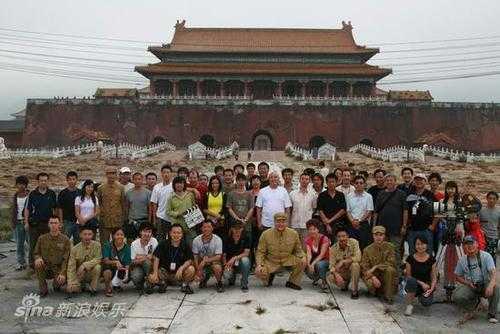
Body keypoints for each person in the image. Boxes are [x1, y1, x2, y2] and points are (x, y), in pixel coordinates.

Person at [454, 235, 499, 323]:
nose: (469, 246)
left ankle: (491, 314)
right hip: (472, 285)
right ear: (463, 247)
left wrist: (490, 285)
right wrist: (467, 283)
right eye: (466, 244)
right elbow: (457, 276)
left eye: (472, 243)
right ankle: (472, 308)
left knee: (496, 288)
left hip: (485, 283)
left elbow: (493, 273)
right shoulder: (462, 260)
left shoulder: (486, 256)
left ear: (477, 244)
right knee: (457, 295)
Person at [255, 213, 306, 290]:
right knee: (260, 272)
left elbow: (298, 250)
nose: (281, 224)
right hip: (271, 261)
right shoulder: (266, 234)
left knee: (302, 261)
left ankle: (292, 282)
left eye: (283, 222)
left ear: (287, 222)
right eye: (278, 221)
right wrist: (259, 264)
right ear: (274, 222)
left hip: (287, 259)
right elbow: (260, 252)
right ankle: (269, 277)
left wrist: (303, 257)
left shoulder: (293, 233)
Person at [147, 223, 195, 294]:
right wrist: (155, 273)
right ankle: (162, 283)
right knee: (152, 275)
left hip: (178, 274)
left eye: (179, 233)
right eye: (174, 233)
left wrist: (182, 268)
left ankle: (184, 285)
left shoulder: (185, 245)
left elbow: (190, 260)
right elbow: (156, 258)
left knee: (191, 269)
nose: (176, 235)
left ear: (182, 234)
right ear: (170, 233)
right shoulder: (163, 244)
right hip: (165, 272)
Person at [373, 174, 407, 270]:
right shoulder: (381, 194)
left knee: (395, 250)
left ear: (395, 181)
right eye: (387, 180)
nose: (389, 182)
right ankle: (385, 272)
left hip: (396, 228)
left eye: (391, 180)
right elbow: (376, 212)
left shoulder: (401, 194)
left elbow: (405, 210)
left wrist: (404, 226)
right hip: (382, 228)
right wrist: (374, 226)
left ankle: (397, 273)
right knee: (383, 250)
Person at [25, 172, 57, 267]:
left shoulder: (51, 194)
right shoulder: (32, 194)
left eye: (45, 180)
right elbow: (27, 209)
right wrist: (26, 222)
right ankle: (32, 264)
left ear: (47, 181)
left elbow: (55, 209)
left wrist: (56, 223)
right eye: (41, 180)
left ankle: (47, 263)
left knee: (48, 244)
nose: (43, 182)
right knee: (33, 244)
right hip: (34, 224)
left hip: (48, 224)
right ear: (38, 182)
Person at [33, 216, 71, 296]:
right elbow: (36, 252)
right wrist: (38, 258)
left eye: (55, 223)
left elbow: (66, 259)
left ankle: (56, 283)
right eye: (51, 223)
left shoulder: (65, 239)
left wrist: (63, 273)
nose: (53, 225)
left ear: (60, 225)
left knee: (59, 284)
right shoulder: (42, 238)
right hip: (46, 267)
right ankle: (43, 288)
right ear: (48, 225)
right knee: (37, 264)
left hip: (58, 268)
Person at [361, 226, 398, 303]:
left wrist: (376, 266)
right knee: (371, 284)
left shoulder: (390, 247)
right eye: (376, 235)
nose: (378, 237)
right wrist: (373, 277)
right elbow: (365, 268)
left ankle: (388, 296)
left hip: (385, 274)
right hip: (374, 275)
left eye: (381, 235)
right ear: (373, 236)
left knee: (390, 269)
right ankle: (375, 291)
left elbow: (391, 262)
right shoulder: (367, 250)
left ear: (384, 236)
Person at [403, 173, 436, 255]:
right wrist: (405, 225)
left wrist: (433, 225)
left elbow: (439, 212)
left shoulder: (430, 195)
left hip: (426, 229)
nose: (419, 181)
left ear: (425, 182)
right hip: (412, 229)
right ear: (414, 181)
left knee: (428, 254)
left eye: (421, 180)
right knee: (412, 253)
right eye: (417, 180)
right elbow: (406, 211)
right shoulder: (409, 195)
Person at [404, 237, 437, 316]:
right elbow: (408, 276)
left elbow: (434, 277)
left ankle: (421, 296)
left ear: (427, 245)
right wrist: (421, 283)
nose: (420, 246)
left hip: (426, 286)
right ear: (415, 246)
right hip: (413, 284)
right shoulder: (410, 258)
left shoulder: (431, 259)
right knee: (411, 281)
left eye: (422, 244)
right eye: (418, 244)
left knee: (426, 303)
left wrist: (431, 289)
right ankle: (409, 305)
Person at [66, 226, 101, 295]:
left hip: (90, 273)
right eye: (85, 234)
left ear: (92, 235)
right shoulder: (75, 249)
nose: (87, 237)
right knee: (72, 290)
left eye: (89, 234)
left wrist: (84, 265)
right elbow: (71, 267)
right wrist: (70, 283)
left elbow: (98, 259)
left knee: (97, 267)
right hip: (79, 274)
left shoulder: (97, 245)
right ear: (80, 235)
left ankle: (93, 288)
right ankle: (80, 285)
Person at [328, 227, 361, 299]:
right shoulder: (333, 248)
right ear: (336, 238)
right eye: (339, 236)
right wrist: (336, 275)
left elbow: (358, 257)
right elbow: (331, 266)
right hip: (343, 272)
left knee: (355, 265)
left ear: (348, 236)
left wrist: (343, 261)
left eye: (343, 236)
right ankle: (344, 285)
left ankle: (354, 291)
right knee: (330, 277)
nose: (341, 238)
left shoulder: (354, 242)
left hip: (352, 270)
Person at [97, 166, 126, 247]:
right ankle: (105, 258)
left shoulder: (121, 187)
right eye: (109, 173)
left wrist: (124, 218)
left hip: (117, 219)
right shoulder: (101, 188)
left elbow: (123, 203)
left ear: (116, 175)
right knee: (104, 242)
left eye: (113, 173)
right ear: (106, 175)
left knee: (118, 241)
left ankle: (117, 257)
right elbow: (99, 203)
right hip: (105, 219)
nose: (111, 175)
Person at [193, 221, 224, 292]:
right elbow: (195, 257)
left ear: (212, 228)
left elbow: (218, 256)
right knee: (197, 278)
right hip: (201, 263)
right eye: (204, 227)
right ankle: (203, 279)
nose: (206, 229)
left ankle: (219, 282)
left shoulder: (218, 239)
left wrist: (205, 261)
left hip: (213, 262)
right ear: (201, 228)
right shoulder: (196, 240)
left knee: (217, 267)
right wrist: (198, 270)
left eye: (209, 227)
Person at [346, 175, 374, 250]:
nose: (359, 185)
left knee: (364, 246)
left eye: (361, 183)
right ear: (354, 184)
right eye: (357, 183)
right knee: (352, 246)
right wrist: (352, 221)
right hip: (352, 224)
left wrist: (359, 221)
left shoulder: (368, 196)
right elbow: (348, 211)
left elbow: (369, 211)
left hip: (363, 224)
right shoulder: (349, 196)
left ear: (364, 184)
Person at [102, 227, 132, 297]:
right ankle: (108, 288)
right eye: (117, 234)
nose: (120, 236)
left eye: (122, 235)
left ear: (124, 236)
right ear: (113, 236)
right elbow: (106, 261)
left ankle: (116, 284)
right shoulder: (107, 245)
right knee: (107, 272)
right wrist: (115, 262)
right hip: (109, 268)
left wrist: (126, 275)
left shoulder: (127, 248)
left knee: (124, 273)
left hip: (121, 269)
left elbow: (127, 263)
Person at [317, 173, 347, 241]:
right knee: (325, 243)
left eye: (333, 182)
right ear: (326, 183)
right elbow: (320, 210)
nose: (331, 184)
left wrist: (330, 221)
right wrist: (327, 224)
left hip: (338, 224)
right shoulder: (322, 195)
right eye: (329, 182)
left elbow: (343, 210)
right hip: (324, 225)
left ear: (336, 182)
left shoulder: (341, 195)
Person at [166, 176, 197, 243]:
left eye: (181, 183)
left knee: (191, 245)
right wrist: (178, 214)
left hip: (190, 226)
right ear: (174, 185)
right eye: (177, 183)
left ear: (184, 185)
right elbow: (168, 211)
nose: (179, 185)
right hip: (177, 227)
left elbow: (194, 208)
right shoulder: (171, 197)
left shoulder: (190, 195)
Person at [130, 223, 158, 292]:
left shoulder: (154, 241)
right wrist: (146, 257)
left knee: (147, 262)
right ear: (140, 232)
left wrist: (140, 257)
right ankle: (140, 283)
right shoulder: (134, 243)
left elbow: (156, 257)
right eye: (145, 231)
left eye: (149, 232)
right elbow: (132, 261)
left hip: (150, 266)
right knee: (136, 277)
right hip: (138, 266)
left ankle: (150, 282)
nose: (147, 234)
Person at [304, 219, 330, 291]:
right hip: (315, 259)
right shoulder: (308, 240)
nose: (312, 231)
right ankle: (316, 277)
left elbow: (322, 254)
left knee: (319, 264)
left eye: (314, 229)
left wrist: (312, 264)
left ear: (318, 229)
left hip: (326, 260)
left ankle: (324, 282)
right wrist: (309, 264)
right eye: (310, 229)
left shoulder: (325, 239)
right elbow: (309, 254)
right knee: (304, 263)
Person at [223, 224, 251, 292]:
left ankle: (244, 284)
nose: (237, 230)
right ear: (232, 229)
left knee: (246, 261)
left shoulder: (246, 238)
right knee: (227, 275)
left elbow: (246, 253)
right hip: (229, 263)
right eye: (235, 228)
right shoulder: (227, 238)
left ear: (242, 229)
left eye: (239, 228)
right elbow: (224, 254)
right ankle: (232, 277)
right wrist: (225, 265)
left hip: (240, 262)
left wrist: (234, 258)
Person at [289, 173, 317, 242]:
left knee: (305, 247)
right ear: (299, 180)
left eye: (306, 179)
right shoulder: (292, 194)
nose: (304, 181)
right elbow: (290, 209)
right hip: (294, 224)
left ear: (309, 181)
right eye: (302, 179)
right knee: (293, 246)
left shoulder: (313, 195)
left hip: (307, 225)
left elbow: (313, 208)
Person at [125, 172, 151, 240]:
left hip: (144, 220)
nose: (137, 181)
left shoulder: (147, 193)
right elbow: (127, 207)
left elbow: (149, 208)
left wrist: (150, 220)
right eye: (135, 179)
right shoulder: (129, 193)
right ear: (133, 180)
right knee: (130, 240)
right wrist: (126, 220)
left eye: (139, 179)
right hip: (132, 221)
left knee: (144, 240)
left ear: (142, 180)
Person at [150, 164, 174, 241]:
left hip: (172, 217)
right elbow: (154, 204)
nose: (166, 174)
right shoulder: (157, 187)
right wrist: (154, 219)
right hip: (160, 216)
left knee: (172, 237)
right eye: (164, 172)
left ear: (171, 174)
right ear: (161, 174)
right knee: (160, 238)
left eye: (168, 172)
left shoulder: (174, 186)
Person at [226, 173, 254, 238]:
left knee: (247, 241)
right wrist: (237, 218)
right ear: (236, 181)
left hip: (247, 223)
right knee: (234, 240)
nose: (241, 182)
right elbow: (229, 208)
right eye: (239, 180)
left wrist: (245, 219)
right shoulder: (231, 194)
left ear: (245, 181)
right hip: (234, 223)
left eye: (243, 180)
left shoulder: (249, 194)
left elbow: (251, 208)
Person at [57, 171, 81, 243]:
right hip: (66, 221)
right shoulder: (63, 193)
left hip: (78, 222)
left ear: (76, 180)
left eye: (73, 179)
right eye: (70, 179)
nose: (72, 181)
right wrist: (61, 221)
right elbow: (60, 208)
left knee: (78, 242)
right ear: (67, 180)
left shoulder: (80, 192)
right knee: (64, 242)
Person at [12, 175, 29, 270]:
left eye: (23, 184)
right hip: (18, 222)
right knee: (19, 244)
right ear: (16, 185)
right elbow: (13, 209)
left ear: (26, 185)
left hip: (28, 222)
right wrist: (13, 222)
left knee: (31, 243)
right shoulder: (15, 196)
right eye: (19, 184)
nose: (21, 186)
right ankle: (21, 263)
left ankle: (32, 262)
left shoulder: (30, 195)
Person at [479, 191, 499, 264]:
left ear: (497, 200)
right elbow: (478, 223)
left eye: (494, 199)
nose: (491, 200)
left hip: (494, 238)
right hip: (482, 238)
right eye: (490, 198)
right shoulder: (481, 211)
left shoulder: (499, 210)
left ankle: (491, 274)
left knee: (492, 258)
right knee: (482, 257)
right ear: (487, 199)